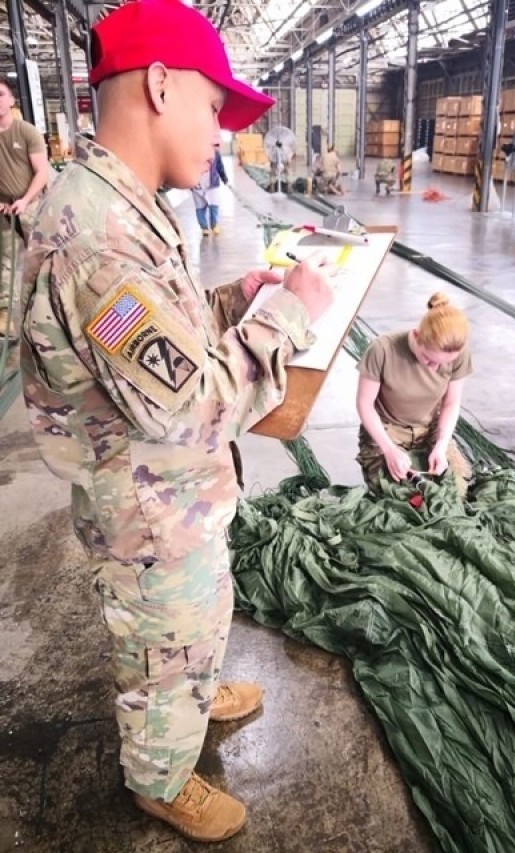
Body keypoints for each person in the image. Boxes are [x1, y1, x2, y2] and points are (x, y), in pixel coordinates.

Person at [20, 0, 334, 844]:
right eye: (213, 107)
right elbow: (190, 402)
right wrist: (290, 318)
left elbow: (169, 330)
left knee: (196, 619)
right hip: (147, 511)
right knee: (166, 637)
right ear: (160, 85)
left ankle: (192, 691)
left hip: (175, 499)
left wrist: (241, 297)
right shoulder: (95, 241)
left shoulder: (123, 204)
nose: (222, 132)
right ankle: (160, 772)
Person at [356, 292, 472, 496]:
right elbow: (365, 404)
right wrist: (389, 449)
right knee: (401, 494)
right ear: (417, 336)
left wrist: (441, 445)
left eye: (443, 363)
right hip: (387, 429)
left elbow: (451, 403)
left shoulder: (458, 353)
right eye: (429, 359)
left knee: (456, 489)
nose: (435, 367)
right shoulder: (382, 350)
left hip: (430, 428)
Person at [0, 76, 49, 337]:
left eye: (0, 95)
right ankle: (6, 320)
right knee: (6, 264)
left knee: (42, 259)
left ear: (11, 100)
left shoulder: (26, 132)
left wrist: (25, 200)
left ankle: (46, 312)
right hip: (4, 211)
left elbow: (42, 172)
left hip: (31, 207)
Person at [192, 143, 228, 236]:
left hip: (212, 183)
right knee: (200, 207)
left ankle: (214, 225)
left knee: (214, 205)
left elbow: (220, 166)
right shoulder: (192, 152)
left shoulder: (215, 153)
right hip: (197, 184)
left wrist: (224, 178)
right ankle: (204, 228)